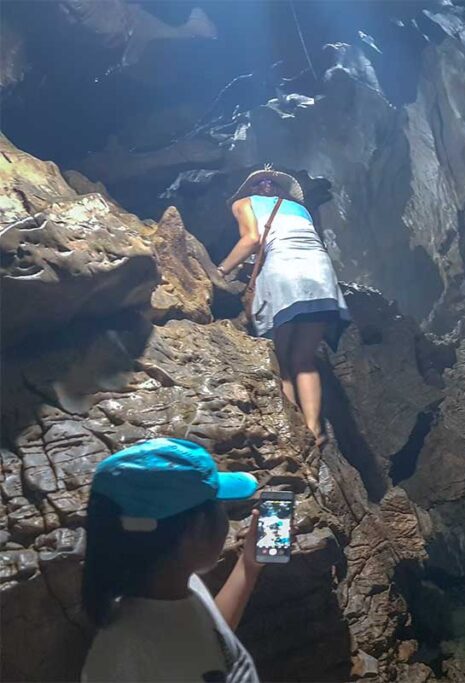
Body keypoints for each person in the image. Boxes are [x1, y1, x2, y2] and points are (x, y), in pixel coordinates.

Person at [81, 438, 264, 682]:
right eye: (219, 504)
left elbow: (211, 641)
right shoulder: (125, 660)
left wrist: (248, 566)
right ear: (198, 528)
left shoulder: (177, 584)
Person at [218, 167, 350, 447]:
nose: (265, 186)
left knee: (280, 359)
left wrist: (221, 270)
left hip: (284, 273)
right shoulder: (301, 210)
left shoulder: (243, 203)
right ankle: (314, 429)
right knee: (304, 359)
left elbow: (252, 239)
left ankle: (291, 433)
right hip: (321, 275)